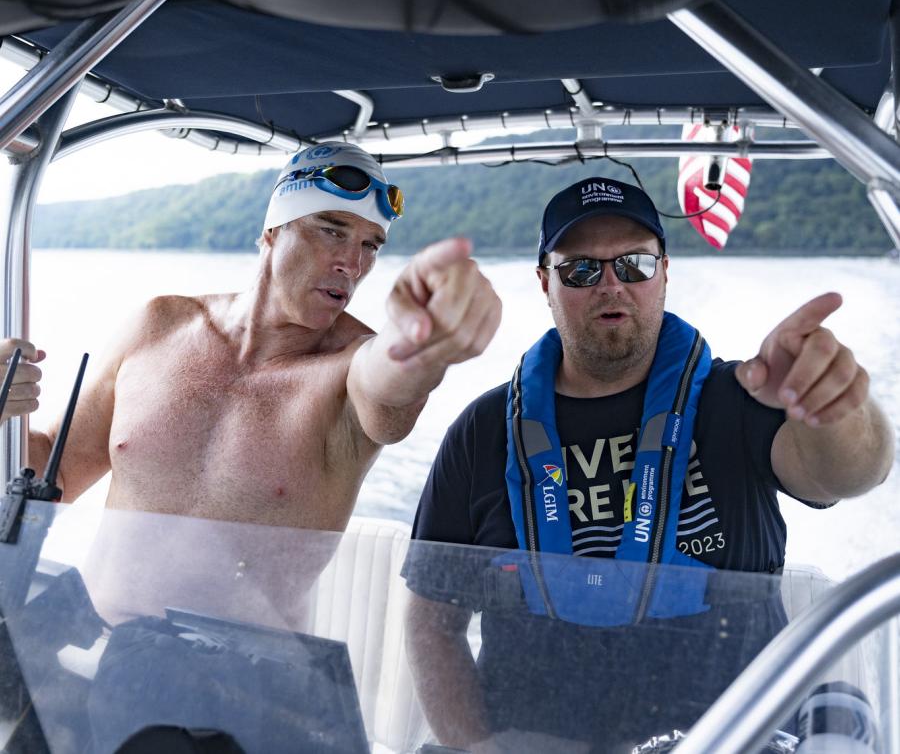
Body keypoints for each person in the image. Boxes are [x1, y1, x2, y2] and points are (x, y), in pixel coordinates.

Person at [403, 177, 894, 753]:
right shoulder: (483, 431)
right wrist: (478, 748)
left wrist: (833, 406)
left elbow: (853, 472)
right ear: (545, 282)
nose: (611, 285)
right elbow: (431, 621)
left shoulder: (737, 398)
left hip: (730, 739)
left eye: (633, 265)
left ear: (664, 271)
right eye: (581, 270)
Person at [0, 142, 502, 531]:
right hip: (103, 653)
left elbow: (390, 385)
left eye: (371, 245)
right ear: (272, 232)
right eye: (331, 229)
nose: (353, 264)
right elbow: (52, 475)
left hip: (258, 663)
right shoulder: (157, 325)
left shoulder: (351, 364)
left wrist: (420, 342)